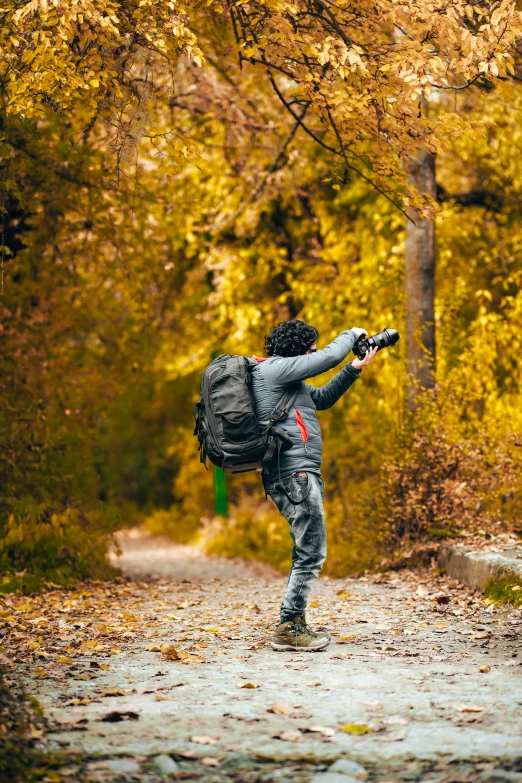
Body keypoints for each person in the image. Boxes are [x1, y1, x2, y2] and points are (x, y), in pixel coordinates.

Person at [250, 320, 378, 651]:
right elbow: (326, 359)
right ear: (299, 350)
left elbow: (320, 398)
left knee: (306, 547)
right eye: (311, 348)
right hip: (294, 475)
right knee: (312, 550)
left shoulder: (288, 381)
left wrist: (355, 367)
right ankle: (289, 626)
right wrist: (351, 335)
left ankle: (295, 620)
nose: (314, 353)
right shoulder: (275, 371)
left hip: (297, 474)